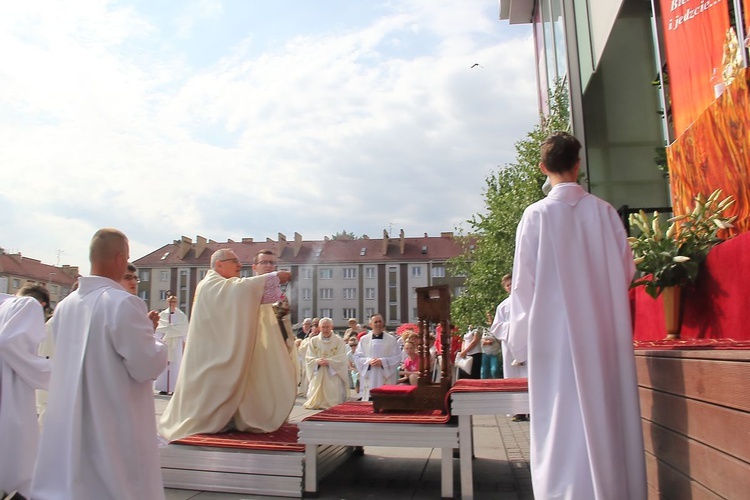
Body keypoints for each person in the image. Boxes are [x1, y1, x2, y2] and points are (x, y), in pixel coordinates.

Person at [507, 132, 646, 499]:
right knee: (605, 414)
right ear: (578, 165)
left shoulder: (535, 215)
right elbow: (626, 272)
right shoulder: (603, 212)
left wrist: (518, 343)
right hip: (602, 334)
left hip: (554, 343)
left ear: (543, 168)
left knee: (559, 422)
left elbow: (524, 284)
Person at [32, 228, 168, 500]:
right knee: (118, 480)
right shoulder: (123, 303)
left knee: (80, 476)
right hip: (114, 414)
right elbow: (146, 366)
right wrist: (155, 337)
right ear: (120, 258)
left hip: (74, 411)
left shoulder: (67, 305)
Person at [157, 248, 297, 441]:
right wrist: (271, 278)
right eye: (235, 261)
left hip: (216, 348)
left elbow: (239, 294)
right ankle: (208, 420)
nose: (240, 266)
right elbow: (239, 291)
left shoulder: (220, 284)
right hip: (211, 353)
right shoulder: (211, 284)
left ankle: (229, 418)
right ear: (219, 264)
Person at [0, 284, 51, 498]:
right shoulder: (28, 305)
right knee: (21, 459)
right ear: (43, 305)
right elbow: (10, 343)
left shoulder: (4, 304)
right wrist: (54, 371)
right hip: (11, 390)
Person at [303, 317, 349, 409]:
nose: (325, 329)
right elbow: (308, 357)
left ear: (332, 327)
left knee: (332, 389)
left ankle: (332, 402)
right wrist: (317, 361)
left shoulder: (339, 341)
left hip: (332, 372)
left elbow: (342, 357)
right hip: (318, 370)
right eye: (323, 327)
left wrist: (329, 361)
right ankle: (317, 402)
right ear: (319, 328)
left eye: (327, 327)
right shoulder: (314, 341)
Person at [353, 313, 401, 401]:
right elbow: (357, 357)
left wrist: (382, 361)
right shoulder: (364, 339)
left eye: (380, 321)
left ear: (383, 323)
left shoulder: (391, 339)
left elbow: (397, 357)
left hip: (384, 375)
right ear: (370, 325)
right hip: (370, 375)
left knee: (385, 399)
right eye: (375, 322)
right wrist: (368, 362)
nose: (378, 324)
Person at [154, 295, 189, 395]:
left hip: (176, 344)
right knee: (165, 364)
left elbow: (183, 329)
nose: (172, 303)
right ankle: (163, 387)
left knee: (176, 365)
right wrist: (159, 339)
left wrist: (184, 342)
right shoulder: (163, 315)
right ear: (167, 302)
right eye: (170, 301)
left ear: (176, 302)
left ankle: (174, 388)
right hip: (165, 342)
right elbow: (160, 328)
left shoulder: (181, 316)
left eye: (174, 301)